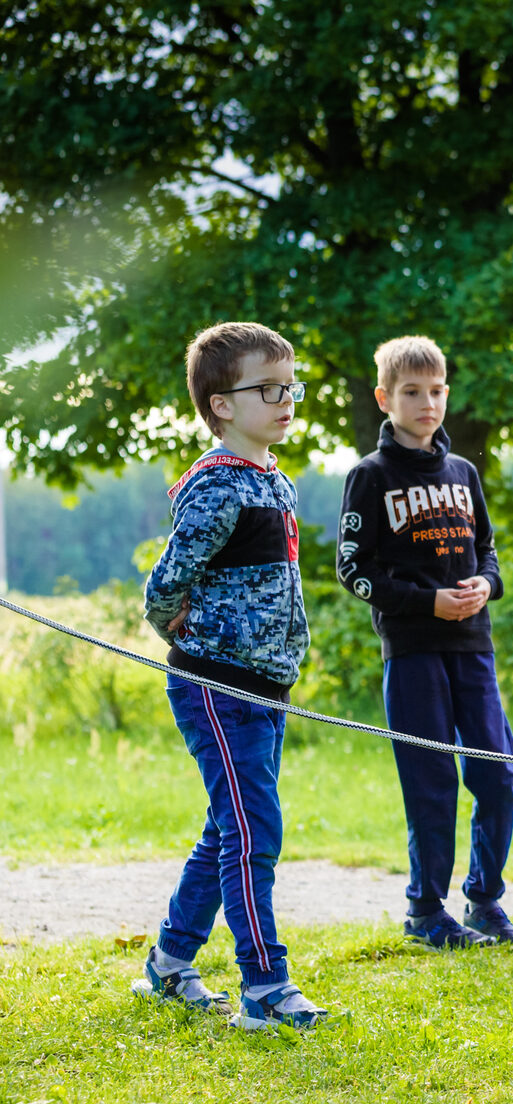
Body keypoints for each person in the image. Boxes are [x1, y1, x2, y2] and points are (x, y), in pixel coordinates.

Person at [137, 321, 328, 1031]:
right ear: (221, 404)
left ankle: (168, 963)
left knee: (229, 829)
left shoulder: (275, 481)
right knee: (254, 832)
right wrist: (182, 634)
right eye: (268, 390)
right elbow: (166, 583)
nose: (286, 401)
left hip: (267, 685)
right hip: (217, 686)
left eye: (290, 388)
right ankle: (264, 988)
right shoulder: (219, 486)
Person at [336, 336, 513, 950]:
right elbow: (352, 569)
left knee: (497, 776)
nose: (427, 403)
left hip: (474, 649)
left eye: (437, 391)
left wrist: (486, 584)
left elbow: (490, 551)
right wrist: (427, 602)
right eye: (412, 393)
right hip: (413, 651)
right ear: (384, 399)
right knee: (431, 783)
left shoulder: (463, 473)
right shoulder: (369, 477)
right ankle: (424, 912)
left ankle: (484, 901)